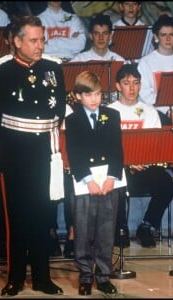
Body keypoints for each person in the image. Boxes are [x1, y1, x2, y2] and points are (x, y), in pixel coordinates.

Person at [0, 15, 66, 296]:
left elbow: (59, 109)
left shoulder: (53, 68)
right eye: (33, 40)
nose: (40, 46)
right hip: (14, 153)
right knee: (17, 218)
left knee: (43, 216)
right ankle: (15, 278)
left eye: (42, 40)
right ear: (16, 41)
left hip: (45, 152)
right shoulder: (1, 71)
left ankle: (42, 277)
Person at [65, 70, 124, 295]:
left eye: (98, 94)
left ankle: (104, 275)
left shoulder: (112, 115)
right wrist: (88, 180)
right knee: (83, 229)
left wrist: (111, 177)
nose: (94, 99)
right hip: (85, 182)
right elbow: (75, 151)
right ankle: (86, 275)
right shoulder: (72, 120)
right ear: (78, 96)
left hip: (109, 181)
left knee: (106, 229)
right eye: (89, 95)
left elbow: (117, 149)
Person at [108, 63, 173, 248]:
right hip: (120, 167)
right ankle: (120, 229)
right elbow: (107, 146)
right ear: (118, 86)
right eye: (126, 83)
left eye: (136, 83)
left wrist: (142, 161)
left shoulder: (149, 111)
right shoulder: (109, 111)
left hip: (145, 166)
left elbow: (155, 144)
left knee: (169, 182)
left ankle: (147, 226)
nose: (131, 88)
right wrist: (128, 163)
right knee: (115, 181)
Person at [137, 14, 173, 126]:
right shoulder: (146, 62)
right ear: (156, 37)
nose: (168, 39)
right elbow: (145, 94)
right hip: (157, 113)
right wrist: (168, 111)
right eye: (163, 35)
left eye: (171, 35)